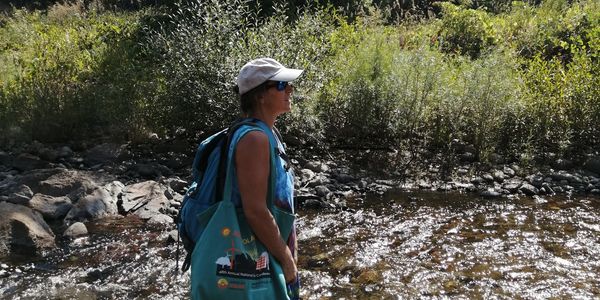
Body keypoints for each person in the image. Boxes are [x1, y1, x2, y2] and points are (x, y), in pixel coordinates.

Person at [232, 58, 302, 299]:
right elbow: (255, 211)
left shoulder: (269, 133)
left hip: (268, 250)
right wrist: (286, 258)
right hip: (260, 256)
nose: (290, 90)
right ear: (260, 95)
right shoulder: (255, 139)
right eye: (282, 85)